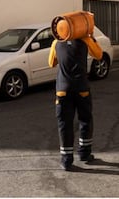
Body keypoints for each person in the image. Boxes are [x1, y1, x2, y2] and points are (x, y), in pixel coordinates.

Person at [48, 17, 102, 171]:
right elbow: (98, 55)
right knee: (85, 120)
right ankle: (84, 154)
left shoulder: (56, 43)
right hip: (82, 89)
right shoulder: (85, 40)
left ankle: (66, 160)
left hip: (62, 90)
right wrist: (91, 38)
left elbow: (51, 63)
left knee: (64, 124)